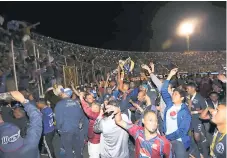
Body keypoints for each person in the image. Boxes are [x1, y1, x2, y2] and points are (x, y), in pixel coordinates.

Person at [105, 105, 172, 158]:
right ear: (143, 121)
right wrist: (118, 112)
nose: (154, 123)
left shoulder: (164, 143)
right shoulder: (137, 132)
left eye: (155, 120)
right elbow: (119, 121)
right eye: (150, 120)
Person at [0, 91, 42, 158]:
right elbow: (36, 117)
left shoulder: (3, 153)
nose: (15, 111)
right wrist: (24, 101)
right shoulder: (31, 143)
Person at [161, 68, 191, 158]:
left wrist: (168, 137)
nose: (173, 95)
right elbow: (163, 91)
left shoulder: (185, 112)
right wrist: (170, 75)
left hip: (178, 141)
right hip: (166, 138)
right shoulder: (170, 104)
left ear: (182, 98)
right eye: (173, 94)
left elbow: (182, 131)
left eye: (175, 94)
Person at [55, 88, 83, 158]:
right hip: (76, 129)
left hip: (65, 130)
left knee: (68, 149)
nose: (61, 93)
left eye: (62, 92)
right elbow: (80, 116)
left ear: (65, 93)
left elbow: (59, 119)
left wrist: (58, 129)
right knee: (77, 148)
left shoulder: (59, 104)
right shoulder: (76, 103)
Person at [186, 82, 208, 157]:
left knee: (197, 137)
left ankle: (201, 147)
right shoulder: (187, 97)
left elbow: (205, 109)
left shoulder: (200, 98)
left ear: (193, 89)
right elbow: (188, 109)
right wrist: (189, 105)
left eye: (188, 89)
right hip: (189, 119)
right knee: (190, 135)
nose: (187, 90)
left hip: (197, 119)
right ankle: (192, 149)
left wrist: (194, 112)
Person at [79, 92, 101, 158]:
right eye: (92, 107)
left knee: (94, 154)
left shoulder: (95, 115)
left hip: (95, 139)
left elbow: (88, 111)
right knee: (91, 153)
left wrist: (81, 98)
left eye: (95, 107)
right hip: (91, 136)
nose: (93, 109)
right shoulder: (98, 113)